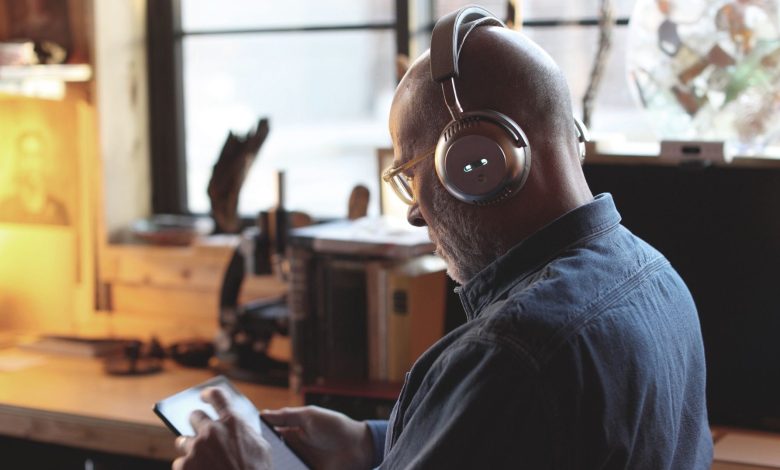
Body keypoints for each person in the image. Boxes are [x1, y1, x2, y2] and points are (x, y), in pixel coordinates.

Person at [173, 7, 713, 470]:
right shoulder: (657, 278)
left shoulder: (511, 355)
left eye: (410, 175)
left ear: (479, 163)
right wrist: (371, 443)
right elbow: (526, 443)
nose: (414, 213)